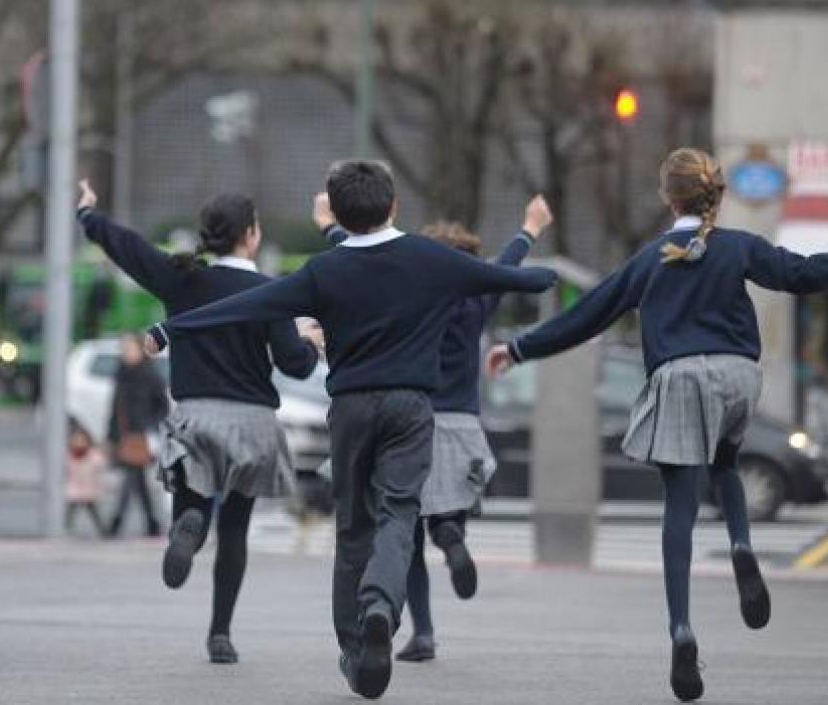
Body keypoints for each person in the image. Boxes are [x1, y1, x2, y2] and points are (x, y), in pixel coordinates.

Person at [485, 148, 828, 702]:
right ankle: (742, 544)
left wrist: (518, 348)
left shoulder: (652, 259)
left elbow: (588, 314)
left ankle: (681, 630)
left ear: (668, 198)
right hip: (740, 376)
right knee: (727, 462)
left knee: (680, 505)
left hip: (683, 378)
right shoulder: (739, 247)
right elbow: (799, 274)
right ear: (714, 193)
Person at [146, 160, 558, 699]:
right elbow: (499, 278)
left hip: (351, 409)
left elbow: (244, 306)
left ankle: (354, 650)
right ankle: (381, 608)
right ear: (392, 207)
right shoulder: (427, 257)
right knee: (398, 514)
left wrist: (170, 327)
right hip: (412, 407)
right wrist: (536, 273)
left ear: (336, 214)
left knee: (353, 529)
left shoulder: (324, 271)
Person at [76, 179, 321, 665]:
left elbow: (129, 249)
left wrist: (88, 216)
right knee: (236, 529)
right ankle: (220, 635)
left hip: (197, 415)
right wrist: (311, 343)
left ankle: (188, 526)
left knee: (195, 501)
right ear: (251, 235)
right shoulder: (269, 290)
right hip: (252, 422)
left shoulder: (181, 277)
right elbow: (295, 364)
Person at [315, 191, 552, 663]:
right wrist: (530, 227)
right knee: (447, 511)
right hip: (461, 422)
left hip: (414, 417)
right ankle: (454, 537)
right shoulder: (476, 300)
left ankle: (422, 633)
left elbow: (360, 256)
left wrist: (328, 226)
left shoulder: (413, 296)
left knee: (405, 531)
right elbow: (507, 264)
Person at [105, 332, 168, 538]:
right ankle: (152, 523)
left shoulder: (149, 374)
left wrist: (149, 425)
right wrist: (111, 435)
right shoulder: (121, 374)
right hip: (125, 435)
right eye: (124, 349)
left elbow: (163, 406)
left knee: (131, 478)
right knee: (137, 481)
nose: (126, 353)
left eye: (130, 348)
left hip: (141, 436)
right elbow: (115, 408)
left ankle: (116, 523)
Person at [65, 419, 108, 535]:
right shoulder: (70, 456)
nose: (79, 442)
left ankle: (103, 530)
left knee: (93, 511)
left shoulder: (92, 455)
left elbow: (100, 464)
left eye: (81, 440)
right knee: (71, 510)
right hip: (74, 488)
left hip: (89, 488)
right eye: (76, 440)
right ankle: (65, 527)